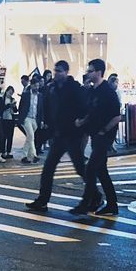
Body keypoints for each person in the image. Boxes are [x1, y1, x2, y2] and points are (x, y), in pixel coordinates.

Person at [26, 60, 89, 213]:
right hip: (59, 135)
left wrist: (79, 124)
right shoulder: (52, 88)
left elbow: (84, 108)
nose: (56, 73)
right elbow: (50, 109)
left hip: (73, 134)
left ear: (66, 72)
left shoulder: (74, 88)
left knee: (80, 168)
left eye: (59, 71)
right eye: (55, 70)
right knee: (48, 168)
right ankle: (42, 201)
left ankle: (95, 196)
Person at [74, 58, 120, 215]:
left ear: (99, 72)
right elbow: (90, 112)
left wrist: (104, 130)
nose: (88, 73)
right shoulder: (93, 91)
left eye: (90, 70)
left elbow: (116, 116)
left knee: (91, 169)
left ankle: (88, 203)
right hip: (95, 135)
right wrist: (82, 122)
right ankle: (112, 204)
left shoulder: (108, 92)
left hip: (104, 137)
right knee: (102, 172)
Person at [18, 73, 42, 163]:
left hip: (35, 119)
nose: (37, 87)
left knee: (29, 138)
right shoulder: (26, 95)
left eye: (38, 86)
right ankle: (34, 155)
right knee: (31, 136)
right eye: (35, 86)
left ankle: (24, 156)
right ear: (31, 86)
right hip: (27, 118)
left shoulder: (40, 96)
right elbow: (21, 107)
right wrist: (21, 119)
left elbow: (41, 109)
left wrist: (41, 120)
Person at [0, 84, 16, 159]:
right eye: (9, 92)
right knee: (3, 136)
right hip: (3, 119)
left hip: (11, 119)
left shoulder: (12, 99)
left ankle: (9, 151)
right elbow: (1, 108)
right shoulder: (2, 99)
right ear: (6, 91)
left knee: (10, 136)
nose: (10, 94)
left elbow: (15, 110)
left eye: (12, 93)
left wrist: (14, 106)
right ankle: (3, 152)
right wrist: (9, 105)